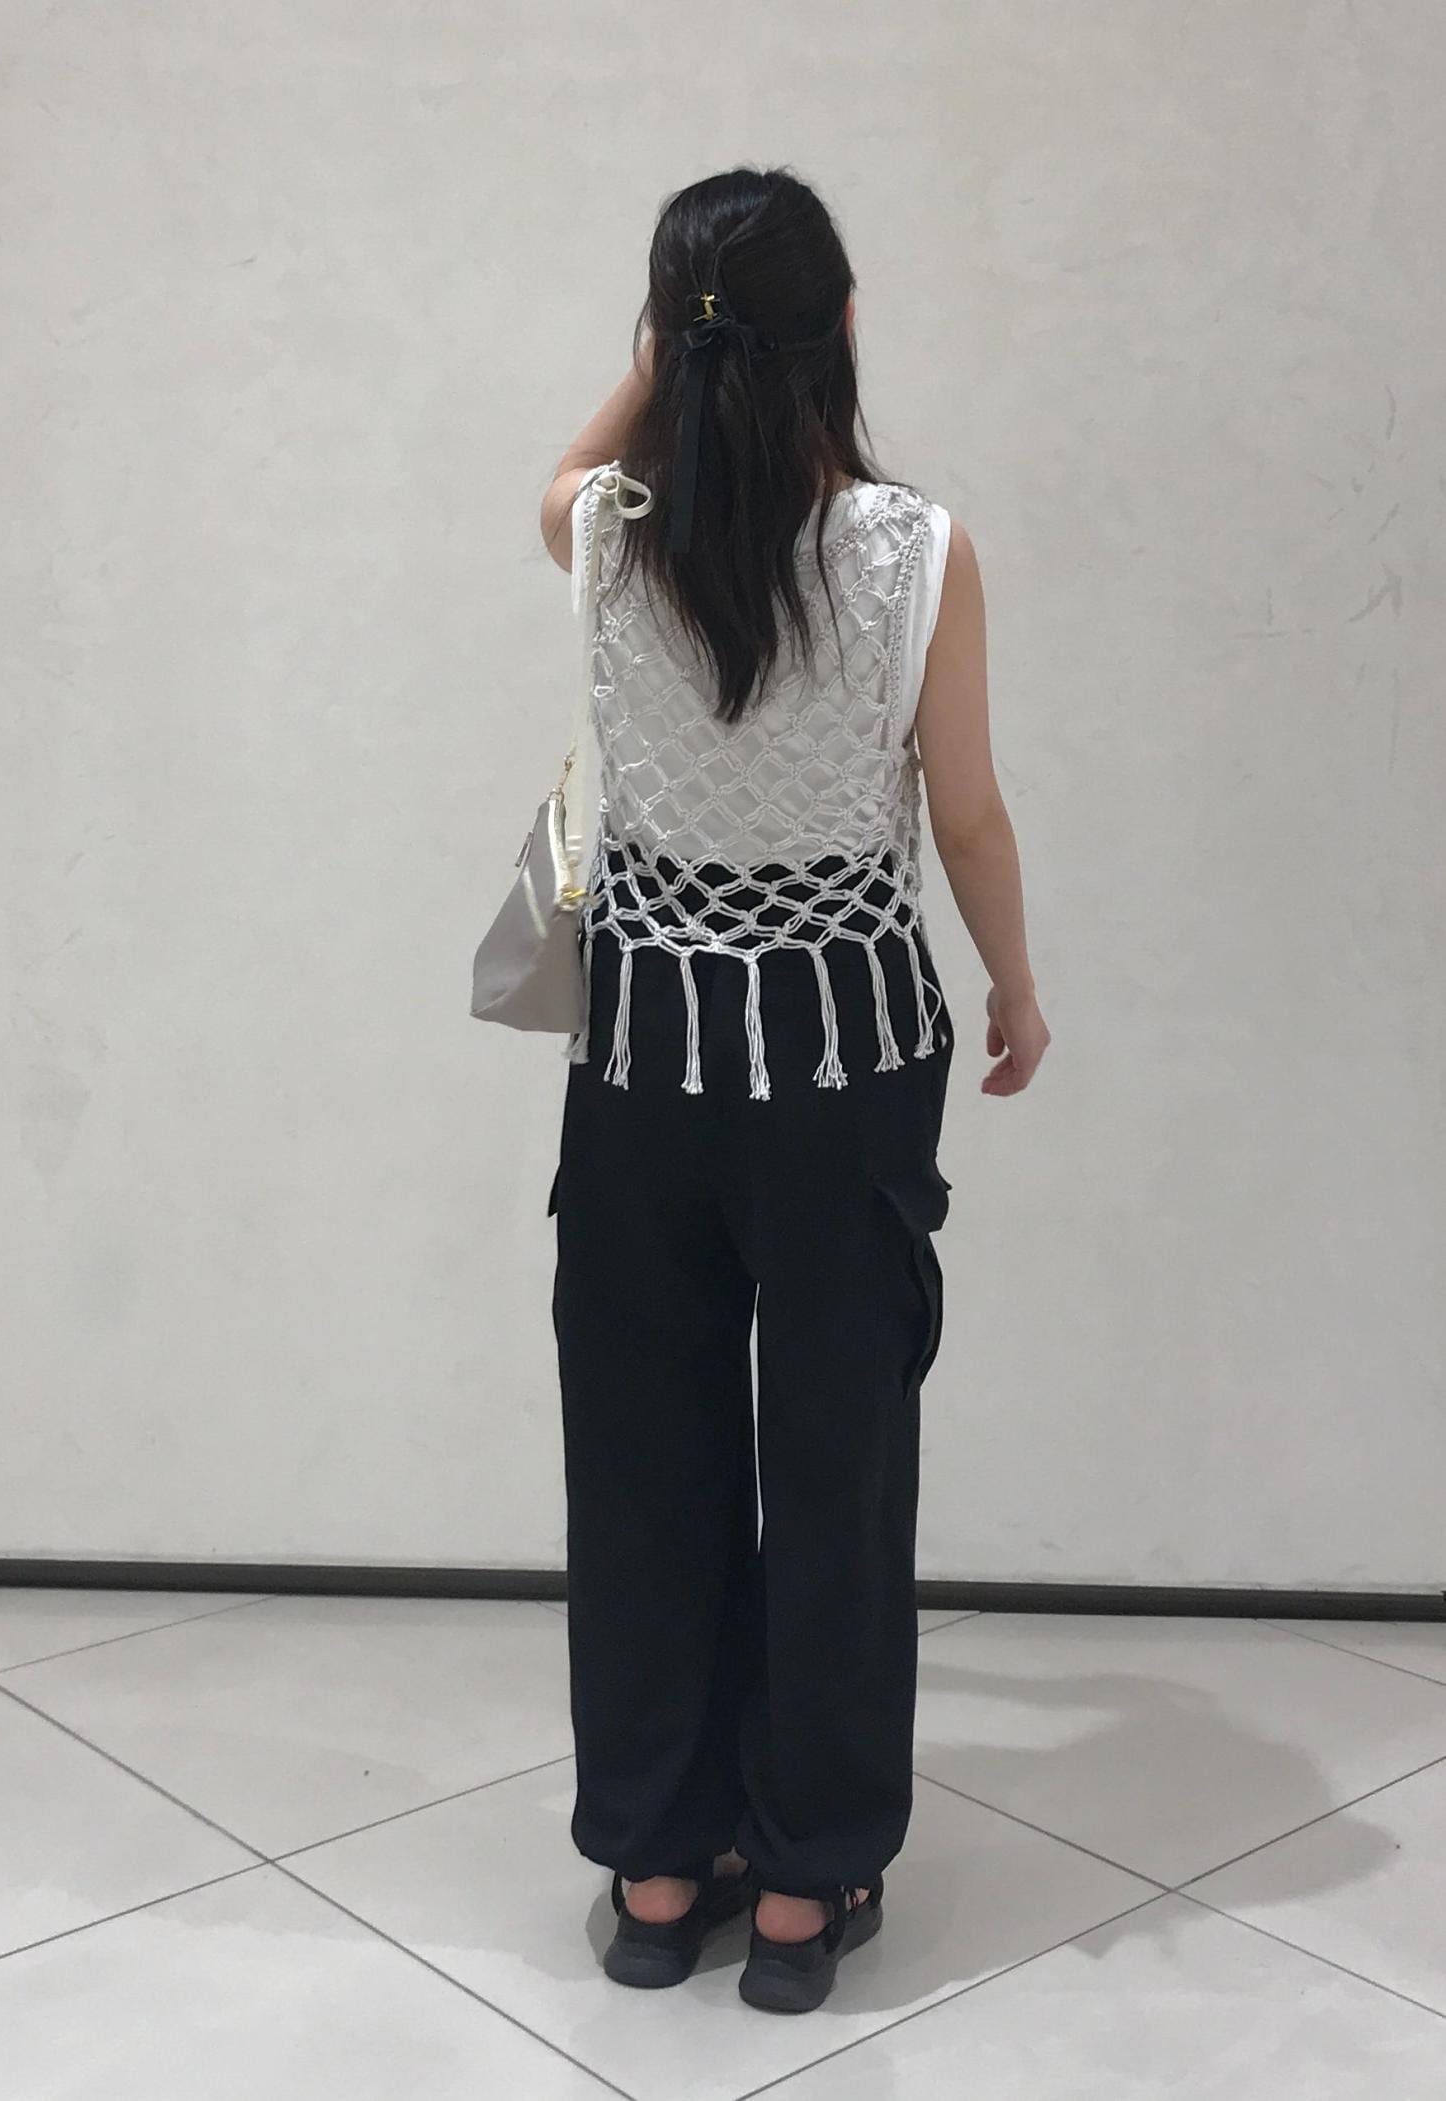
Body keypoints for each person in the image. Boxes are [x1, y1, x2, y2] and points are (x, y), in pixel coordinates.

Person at [536, 165, 1049, 2014]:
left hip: (648, 1049)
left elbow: (556, 472)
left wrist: (662, 344)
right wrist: (1015, 984)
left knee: (643, 1454)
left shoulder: (612, 531)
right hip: (844, 1052)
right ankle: (806, 1885)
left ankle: (661, 1861)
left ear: (670, 344)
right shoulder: (918, 551)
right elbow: (966, 815)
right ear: (842, 325)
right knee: (838, 1464)